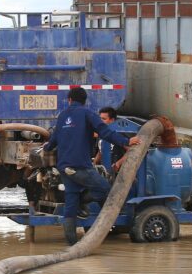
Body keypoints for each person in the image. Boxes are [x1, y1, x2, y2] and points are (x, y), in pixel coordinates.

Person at [44, 87, 141, 245]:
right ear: (85, 101)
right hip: (80, 166)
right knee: (105, 189)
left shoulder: (62, 116)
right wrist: (126, 141)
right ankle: (84, 204)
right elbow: (105, 132)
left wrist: (46, 147)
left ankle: (72, 246)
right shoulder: (88, 114)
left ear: (69, 100)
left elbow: (53, 140)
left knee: (71, 203)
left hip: (64, 167)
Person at [93, 106, 128, 174]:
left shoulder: (118, 134)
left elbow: (130, 151)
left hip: (119, 174)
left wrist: (118, 163)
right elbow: (101, 150)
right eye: (100, 118)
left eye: (104, 119)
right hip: (105, 172)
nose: (100, 121)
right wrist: (94, 163)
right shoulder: (101, 133)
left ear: (112, 120)